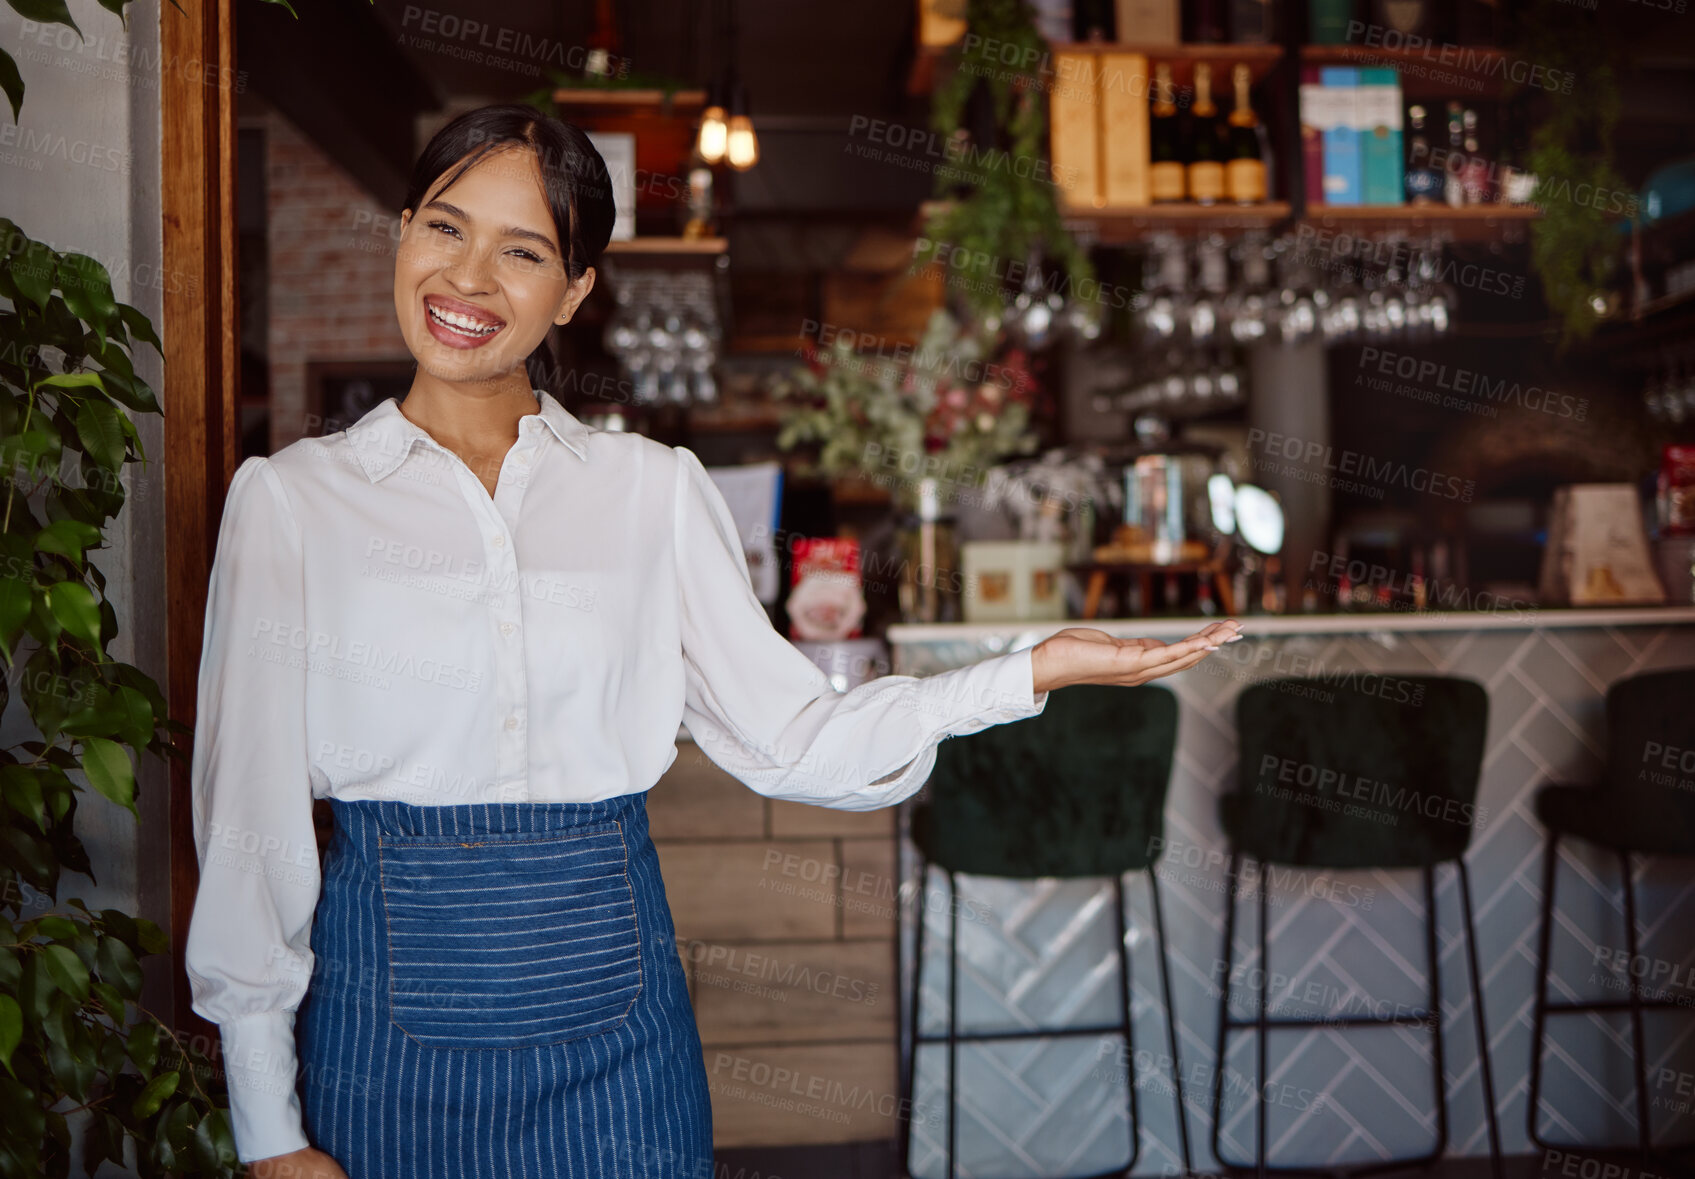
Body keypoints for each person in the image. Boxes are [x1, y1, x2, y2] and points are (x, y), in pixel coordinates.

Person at [183, 103, 1244, 1179]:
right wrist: (270, 1129)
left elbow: (792, 740)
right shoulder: (292, 503)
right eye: (445, 229)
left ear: (576, 289)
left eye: (524, 252)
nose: (468, 280)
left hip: (621, 1038)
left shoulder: (650, 491)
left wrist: (1024, 673)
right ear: (403, 229)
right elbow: (250, 826)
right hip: (385, 1038)